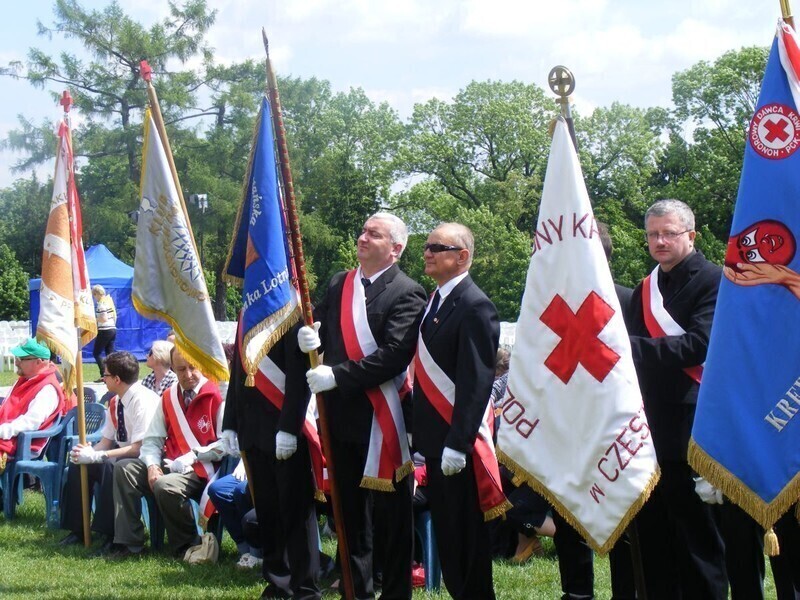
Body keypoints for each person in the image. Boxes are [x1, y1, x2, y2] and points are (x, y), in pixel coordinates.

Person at [298, 212, 427, 600]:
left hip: (382, 420)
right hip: (339, 418)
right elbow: (320, 324)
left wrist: (336, 375)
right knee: (350, 517)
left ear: (395, 248)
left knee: (391, 519)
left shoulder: (408, 291)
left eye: (374, 234)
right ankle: (356, 591)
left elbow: (393, 356)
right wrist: (310, 336)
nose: (363, 237)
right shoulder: (341, 283)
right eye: (363, 231)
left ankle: (396, 593)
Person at [627, 199, 728, 599]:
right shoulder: (645, 288)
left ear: (691, 234)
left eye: (669, 233)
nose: (660, 241)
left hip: (694, 421)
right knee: (656, 537)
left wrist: (626, 348)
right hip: (649, 426)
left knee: (698, 538)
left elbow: (698, 346)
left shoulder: (715, 280)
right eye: (653, 234)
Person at [411, 222, 508, 600]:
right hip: (435, 444)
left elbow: (476, 381)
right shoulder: (435, 301)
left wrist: (458, 441)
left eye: (439, 246)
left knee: (466, 543)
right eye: (427, 245)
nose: (428, 252)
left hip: (457, 447)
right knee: (451, 540)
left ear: (462, 256)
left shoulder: (474, 305)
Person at [222, 326, 322, 600]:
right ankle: (279, 582)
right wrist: (230, 422)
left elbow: (299, 373)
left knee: (295, 513)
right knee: (267, 512)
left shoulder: (289, 309)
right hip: (253, 431)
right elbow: (238, 371)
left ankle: (304, 587)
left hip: (284, 428)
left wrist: (290, 427)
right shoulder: (247, 312)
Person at [108, 347, 224, 559]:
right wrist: (152, 465)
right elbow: (152, 440)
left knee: (165, 485)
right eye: (180, 369)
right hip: (169, 462)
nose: (187, 375)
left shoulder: (217, 394)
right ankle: (129, 543)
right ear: (173, 368)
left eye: (192, 368)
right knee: (124, 468)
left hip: (203, 468)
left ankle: (188, 545)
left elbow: (226, 444)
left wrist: (194, 455)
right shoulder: (169, 397)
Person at [58, 351, 159, 552]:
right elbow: (106, 442)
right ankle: (78, 529)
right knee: (80, 466)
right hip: (122, 454)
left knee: (108, 467)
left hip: (146, 459)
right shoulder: (116, 402)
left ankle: (109, 533)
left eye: (105, 375)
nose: (103, 379)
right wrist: (87, 453)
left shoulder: (143, 400)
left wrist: (100, 456)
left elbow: (139, 447)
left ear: (117, 379)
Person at [0, 338, 65, 474]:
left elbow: (30, 423)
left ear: (39, 361)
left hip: (20, 444)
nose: (16, 362)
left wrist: (3, 430)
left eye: (22, 358)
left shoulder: (47, 389)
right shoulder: (24, 380)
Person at [92, 285, 117, 379]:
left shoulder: (101, 304)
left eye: (94, 295)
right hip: (112, 328)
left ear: (97, 294)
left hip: (105, 329)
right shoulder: (109, 301)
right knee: (110, 354)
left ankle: (103, 374)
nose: (94, 298)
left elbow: (103, 318)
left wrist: (94, 319)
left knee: (96, 353)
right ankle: (113, 373)